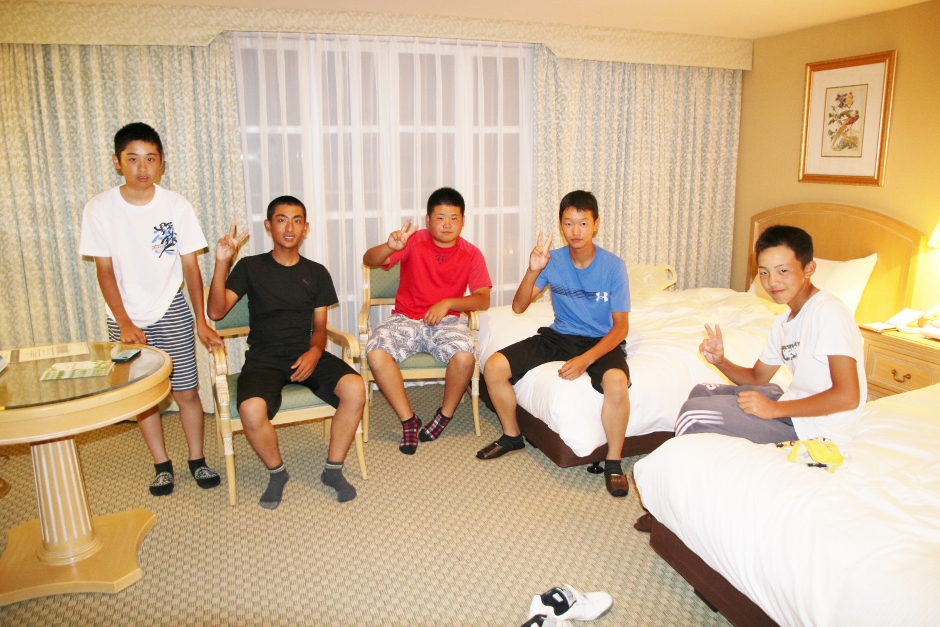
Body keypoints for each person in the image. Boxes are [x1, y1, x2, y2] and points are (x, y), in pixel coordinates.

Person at [79, 122, 222, 497]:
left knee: (186, 391)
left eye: (150, 159)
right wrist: (123, 321)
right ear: (117, 162)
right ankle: (162, 465)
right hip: (123, 315)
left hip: (170, 308)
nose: (142, 168)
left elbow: (191, 267)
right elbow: (104, 270)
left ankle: (197, 459)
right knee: (144, 399)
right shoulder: (100, 208)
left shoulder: (176, 205)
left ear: (161, 162)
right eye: (132, 159)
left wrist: (200, 321)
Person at [207, 197, 366, 508]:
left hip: (306, 353)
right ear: (268, 226)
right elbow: (216, 311)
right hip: (264, 358)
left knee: (355, 388)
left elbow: (319, 328)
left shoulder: (316, 272)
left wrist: (315, 352)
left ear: (306, 228)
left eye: (297, 220)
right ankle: (277, 472)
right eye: (281, 220)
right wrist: (222, 261)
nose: (289, 227)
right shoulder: (250, 267)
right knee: (251, 410)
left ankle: (333, 470)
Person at [478, 190, 632, 498]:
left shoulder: (613, 267)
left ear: (596, 224)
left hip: (600, 340)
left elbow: (620, 328)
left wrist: (586, 360)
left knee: (617, 382)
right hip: (560, 335)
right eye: (568, 223)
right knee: (494, 367)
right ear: (561, 225)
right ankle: (512, 435)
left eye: (583, 223)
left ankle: (614, 461)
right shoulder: (553, 260)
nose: (576, 231)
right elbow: (519, 306)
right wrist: (533, 269)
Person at [675, 224, 866, 448]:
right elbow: (757, 378)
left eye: (782, 271)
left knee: (692, 415)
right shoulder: (784, 321)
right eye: (764, 272)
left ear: (809, 268)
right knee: (700, 392)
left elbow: (848, 396)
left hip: (817, 428)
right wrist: (720, 361)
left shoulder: (829, 312)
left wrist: (774, 409)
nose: (772, 282)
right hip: (793, 406)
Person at [362, 187, 491, 454]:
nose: (447, 224)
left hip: (447, 322)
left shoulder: (471, 253)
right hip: (405, 318)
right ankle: (408, 420)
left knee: (465, 357)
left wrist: (448, 303)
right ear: (428, 219)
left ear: (463, 221)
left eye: (454, 218)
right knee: (375, 353)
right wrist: (389, 246)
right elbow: (369, 260)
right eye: (440, 218)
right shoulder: (414, 241)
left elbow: (483, 299)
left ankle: (444, 415)